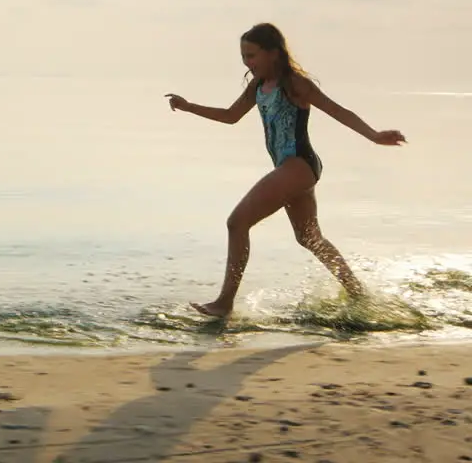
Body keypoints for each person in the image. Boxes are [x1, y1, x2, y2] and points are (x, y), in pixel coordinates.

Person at [165, 23, 406, 319]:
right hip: (293, 169)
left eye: (252, 55)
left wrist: (373, 135)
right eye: (243, 56)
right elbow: (230, 116)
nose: (247, 62)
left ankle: (224, 303)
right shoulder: (256, 87)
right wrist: (190, 107)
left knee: (236, 223)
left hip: (299, 164)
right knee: (309, 238)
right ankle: (359, 295)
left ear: (273, 53)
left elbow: (337, 110)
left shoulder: (295, 84)